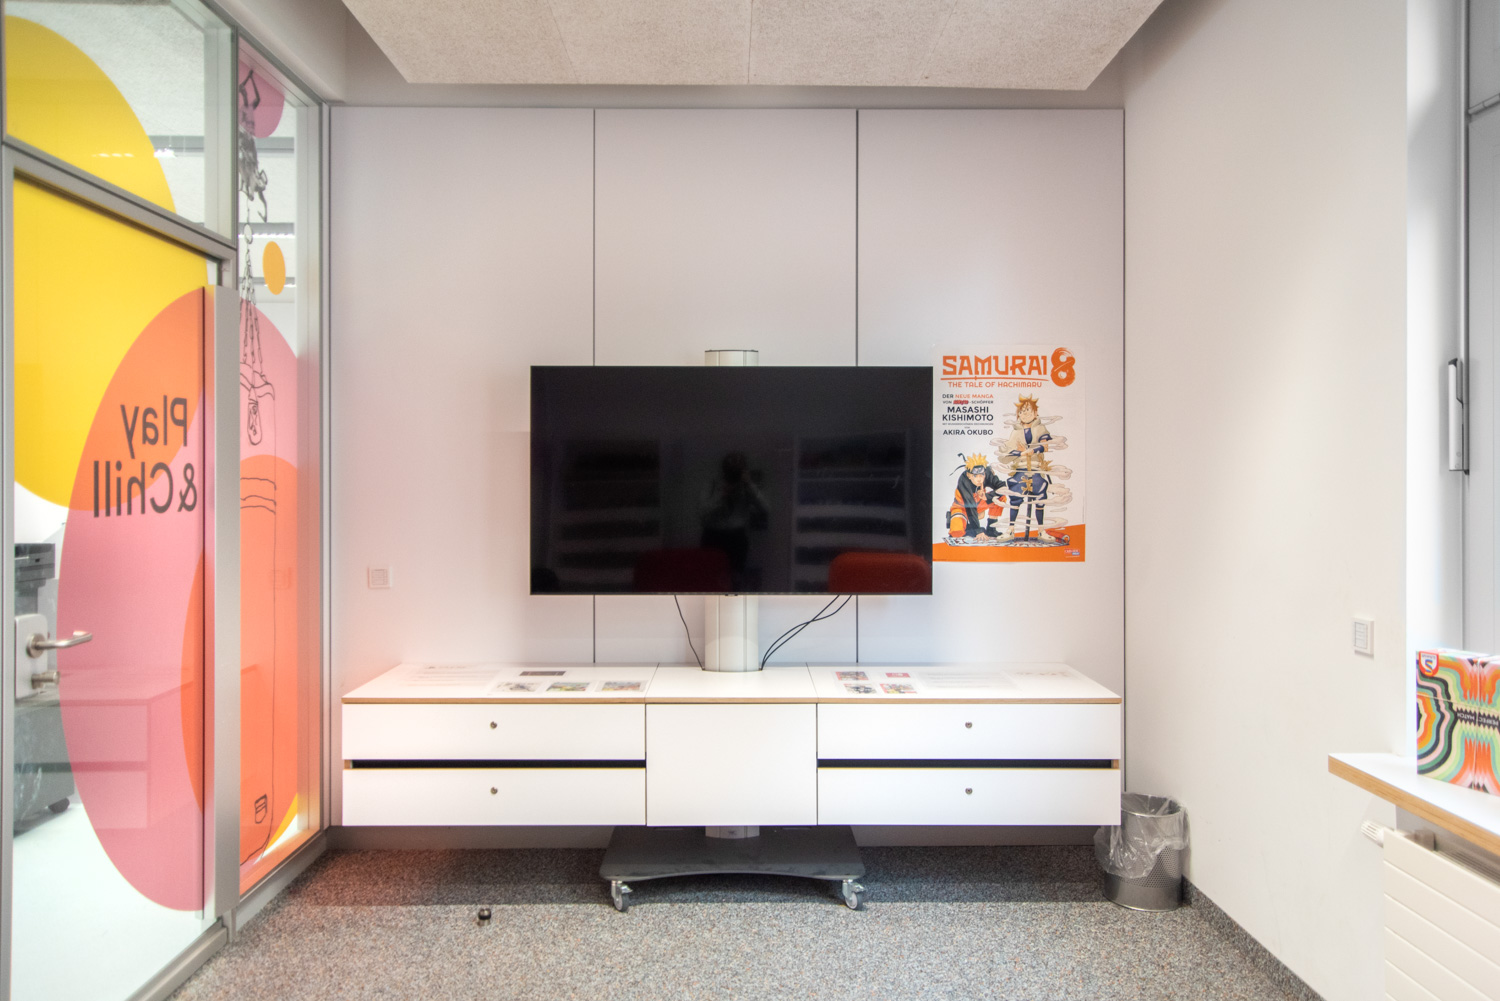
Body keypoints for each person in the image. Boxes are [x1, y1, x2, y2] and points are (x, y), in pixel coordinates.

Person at [998, 394, 1056, 543]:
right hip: (1021, 469)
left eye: (1029, 410)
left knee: (1040, 495)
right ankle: (1011, 529)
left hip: (1036, 469)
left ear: (1035, 413)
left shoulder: (1040, 428)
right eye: (1022, 411)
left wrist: (1032, 450)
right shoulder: (1016, 432)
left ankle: (1041, 530)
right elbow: (1007, 452)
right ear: (1018, 415)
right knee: (1015, 495)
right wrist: (1020, 453)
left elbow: (1045, 446)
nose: (1026, 413)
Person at [947, 453, 1003, 540]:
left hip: (979, 504)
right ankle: (968, 527)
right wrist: (978, 531)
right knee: (956, 533)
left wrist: (987, 497)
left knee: (1001, 497)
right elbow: (970, 505)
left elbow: (1002, 487)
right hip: (962, 508)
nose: (979, 479)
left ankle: (991, 529)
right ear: (969, 475)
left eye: (982, 475)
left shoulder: (987, 473)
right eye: (975, 476)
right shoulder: (964, 480)